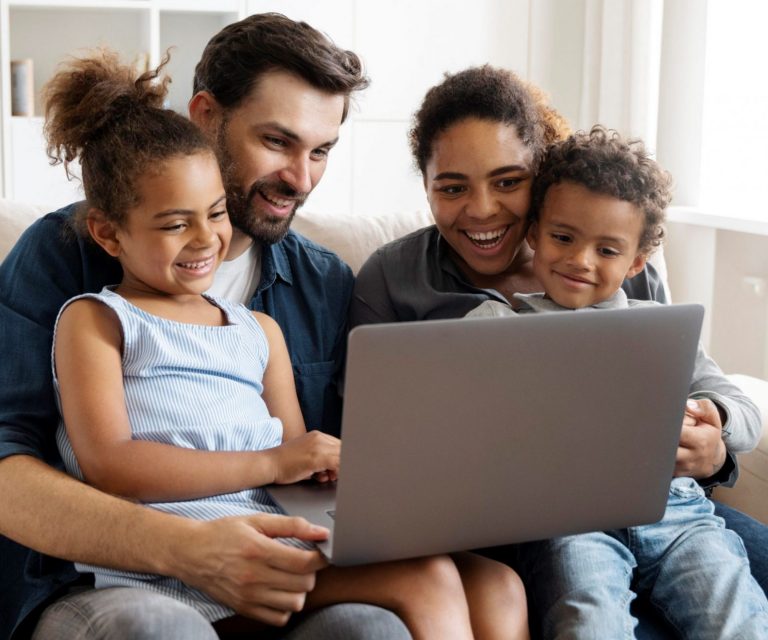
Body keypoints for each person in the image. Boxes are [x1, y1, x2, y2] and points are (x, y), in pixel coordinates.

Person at [42, 49, 529, 640]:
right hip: (170, 556)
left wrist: (358, 473)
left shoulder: (257, 330)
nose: (205, 239)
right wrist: (277, 461)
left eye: (216, 212)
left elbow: (301, 465)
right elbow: (110, 465)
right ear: (106, 232)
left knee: (497, 581)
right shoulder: (98, 319)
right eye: (175, 223)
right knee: (426, 580)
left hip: (276, 532)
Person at [0, 13, 409, 640]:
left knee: (370, 626)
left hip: (272, 561)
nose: (301, 180)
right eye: (278, 142)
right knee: (153, 625)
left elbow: (309, 465)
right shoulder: (65, 257)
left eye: (321, 151)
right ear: (205, 114)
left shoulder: (323, 284)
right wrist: (188, 551)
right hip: (103, 580)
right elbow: (8, 466)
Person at [350, 64, 768, 637]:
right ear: (425, 185)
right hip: (542, 525)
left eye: (506, 181)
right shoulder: (436, 295)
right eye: (452, 187)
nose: (483, 210)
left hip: (672, 509)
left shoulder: (639, 301)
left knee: (741, 603)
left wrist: (714, 440)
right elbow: (390, 433)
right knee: (587, 613)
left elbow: (713, 398)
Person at [465, 125, 768, 639]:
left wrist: (716, 415)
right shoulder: (495, 324)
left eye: (608, 251)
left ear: (637, 261)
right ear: (533, 234)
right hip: (568, 522)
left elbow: (746, 410)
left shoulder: (661, 326)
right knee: (590, 620)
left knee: (738, 616)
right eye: (564, 237)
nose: (581, 260)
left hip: (676, 512)